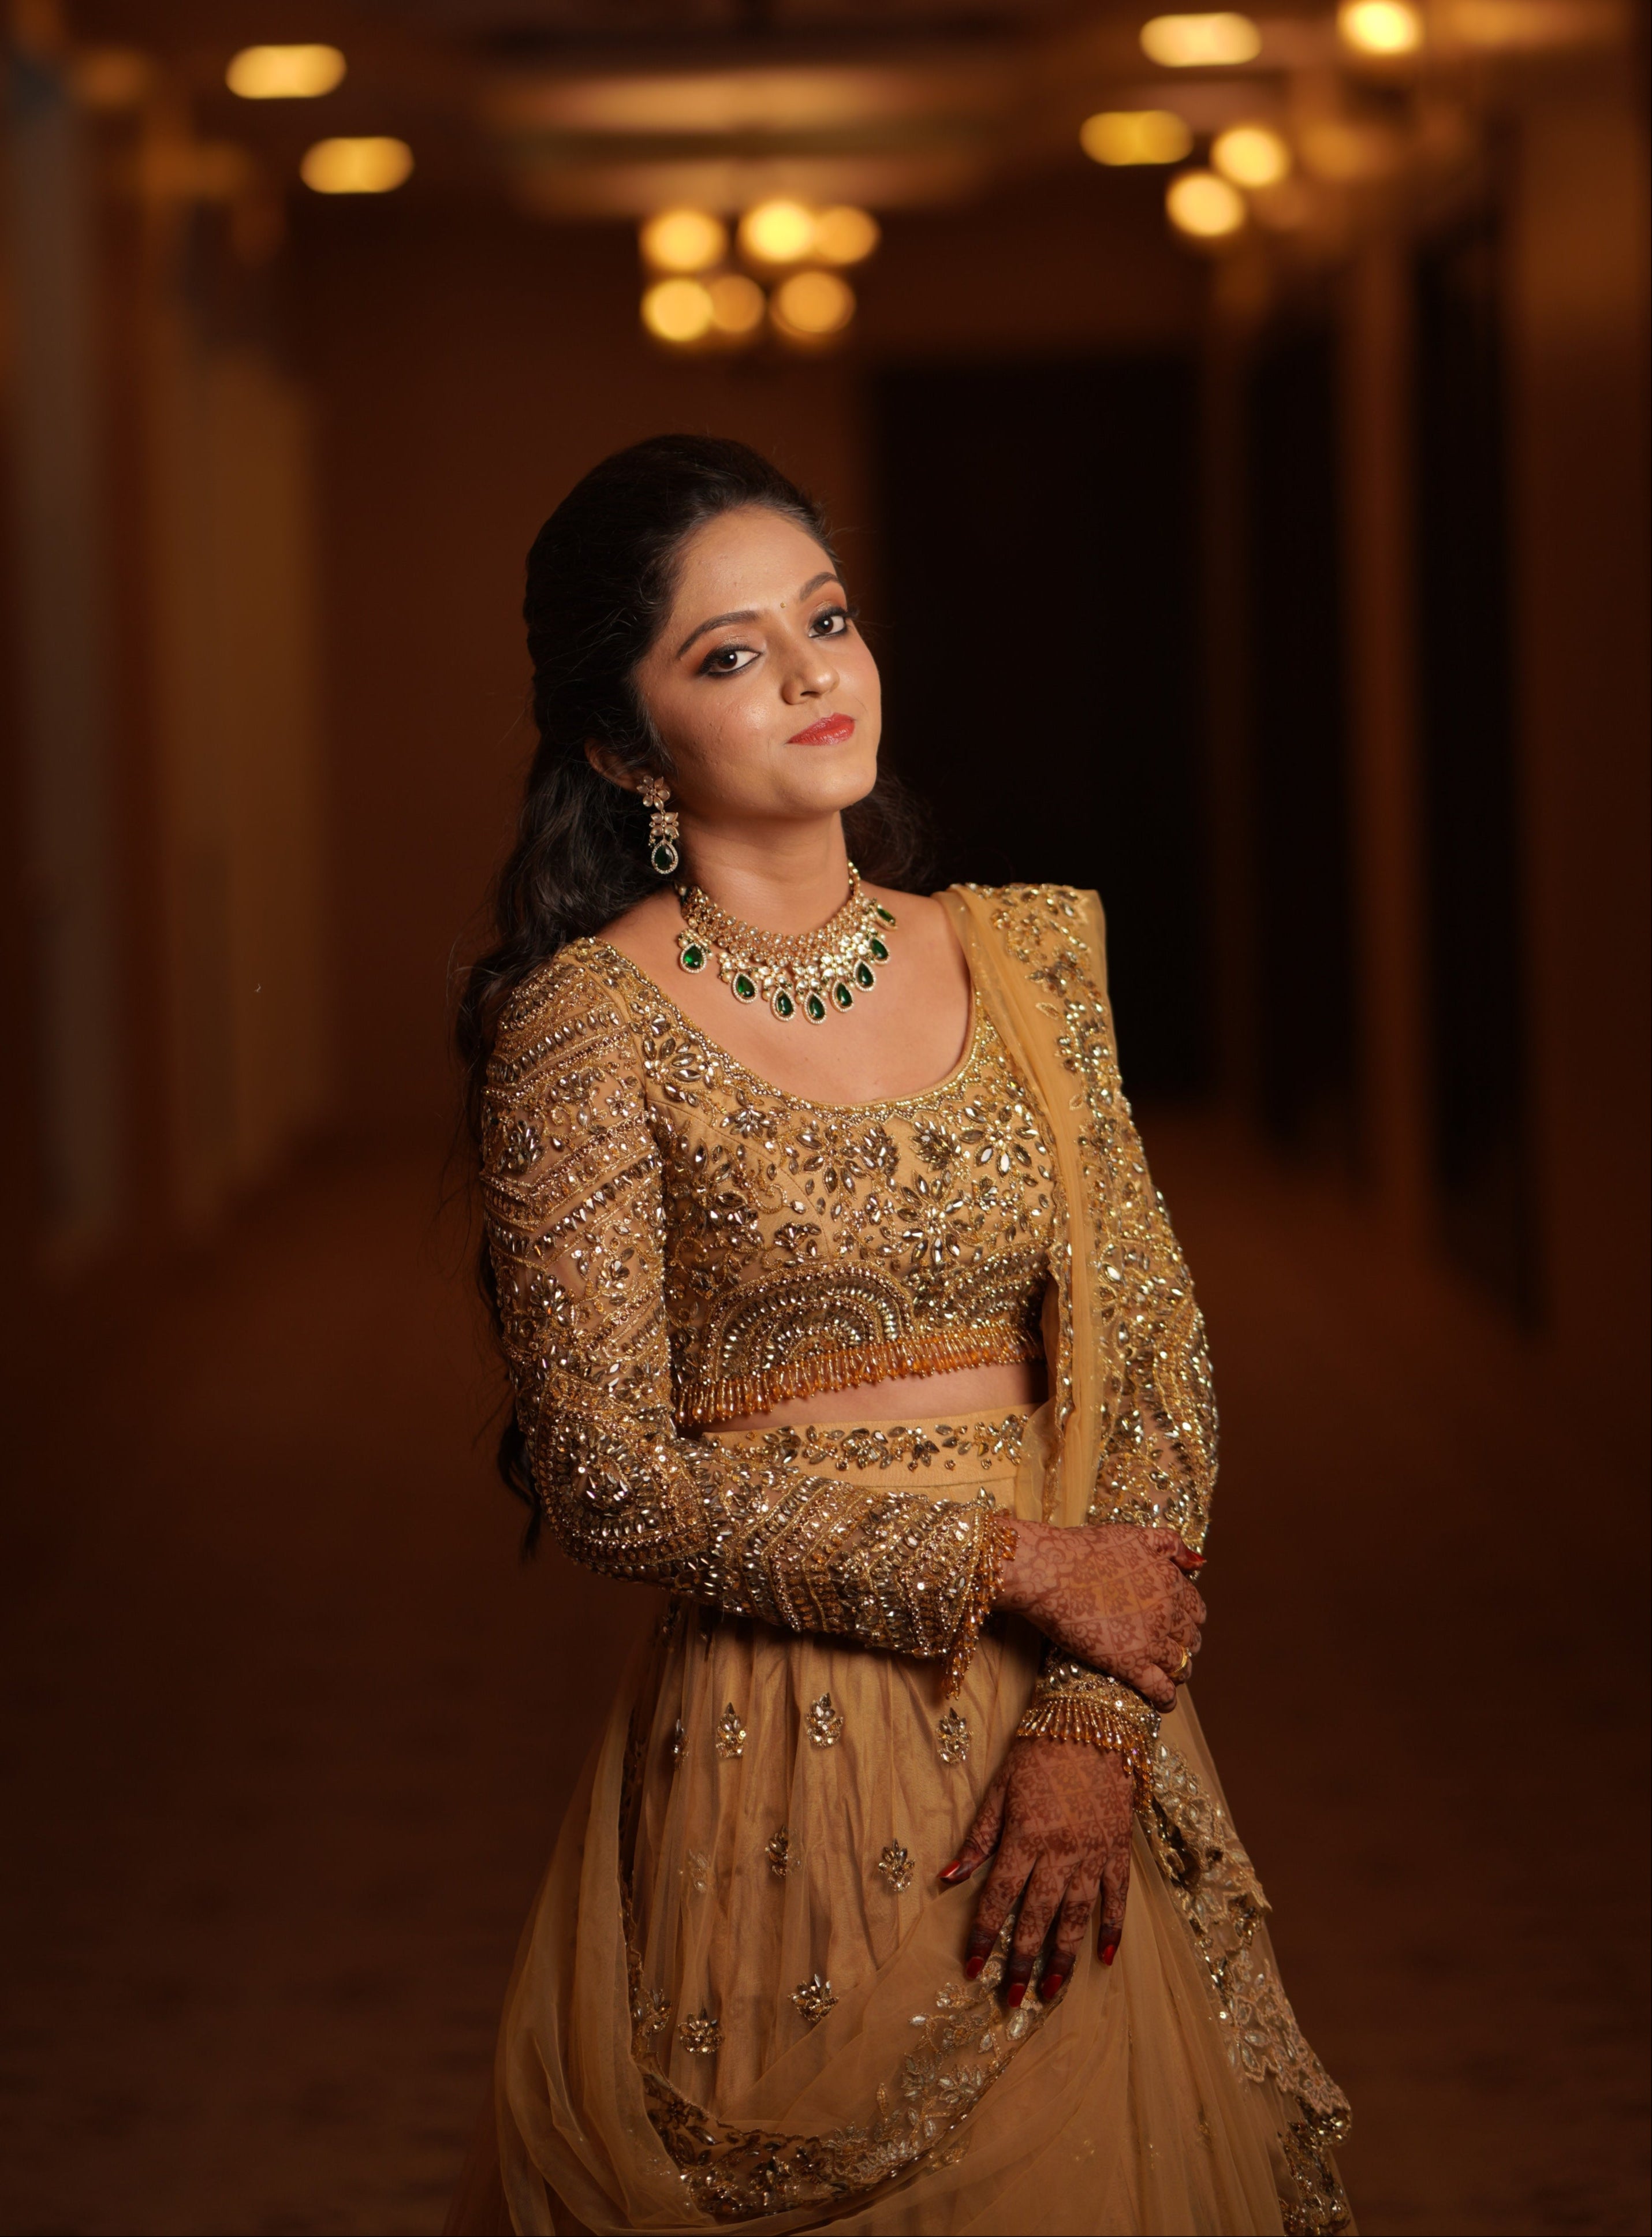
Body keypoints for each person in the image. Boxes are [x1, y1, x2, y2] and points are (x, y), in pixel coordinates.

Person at [447, 435, 1352, 2236]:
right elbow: (612, 1480)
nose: (809, 675)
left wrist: (1096, 1716)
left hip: (1080, 1707)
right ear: (626, 747)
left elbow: (1154, 1357)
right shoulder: (585, 1030)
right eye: (729, 652)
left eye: (827, 619)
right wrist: (1015, 1560)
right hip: (786, 1754)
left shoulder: (1027, 960)